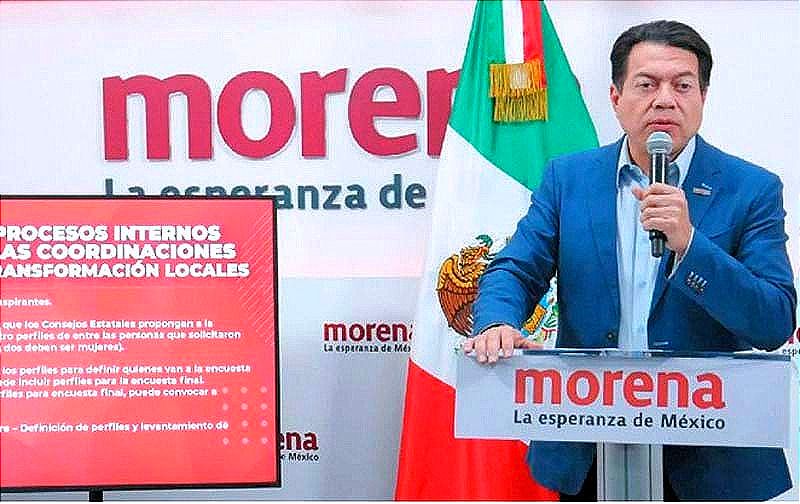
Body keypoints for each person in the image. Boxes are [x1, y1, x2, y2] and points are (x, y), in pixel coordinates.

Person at [466, 20, 796, 501]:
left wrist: (689, 246)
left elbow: (773, 321)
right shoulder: (569, 179)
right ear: (616, 98)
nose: (665, 100)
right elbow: (515, 268)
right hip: (590, 441)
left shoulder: (751, 189)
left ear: (703, 98)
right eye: (646, 84)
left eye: (682, 86)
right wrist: (497, 321)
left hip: (710, 457)